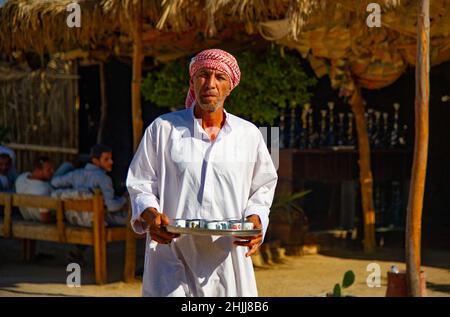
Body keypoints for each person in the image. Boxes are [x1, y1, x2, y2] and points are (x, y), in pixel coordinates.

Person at [127, 49, 278, 297]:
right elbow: (140, 182)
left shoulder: (248, 134)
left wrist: (256, 219)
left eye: (220, 77)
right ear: (192, 82)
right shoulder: (163, 129)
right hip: (172, 255)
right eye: (203, 75)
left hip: (228, 260)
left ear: (230, 87)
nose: (210, 84)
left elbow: (263, 185)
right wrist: (151, 215)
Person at [51, 144, 127, 227]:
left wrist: (68, 169)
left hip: (76, 220)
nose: (111, 162)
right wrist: (124, 199)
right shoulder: (104, 179)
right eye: (106, 159)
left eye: (111, 158)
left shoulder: (75, 174)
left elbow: (54, 182)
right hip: (96, 221)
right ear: (95, 161)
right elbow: (112, 207)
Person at [15, 156, 55, 222]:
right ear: (38, 170)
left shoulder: (21, 177)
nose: (53, 171)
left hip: (25, 215)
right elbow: (45, 218)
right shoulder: (43, 190)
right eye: (49, 170)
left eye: (52, 169)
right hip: (38, 219)